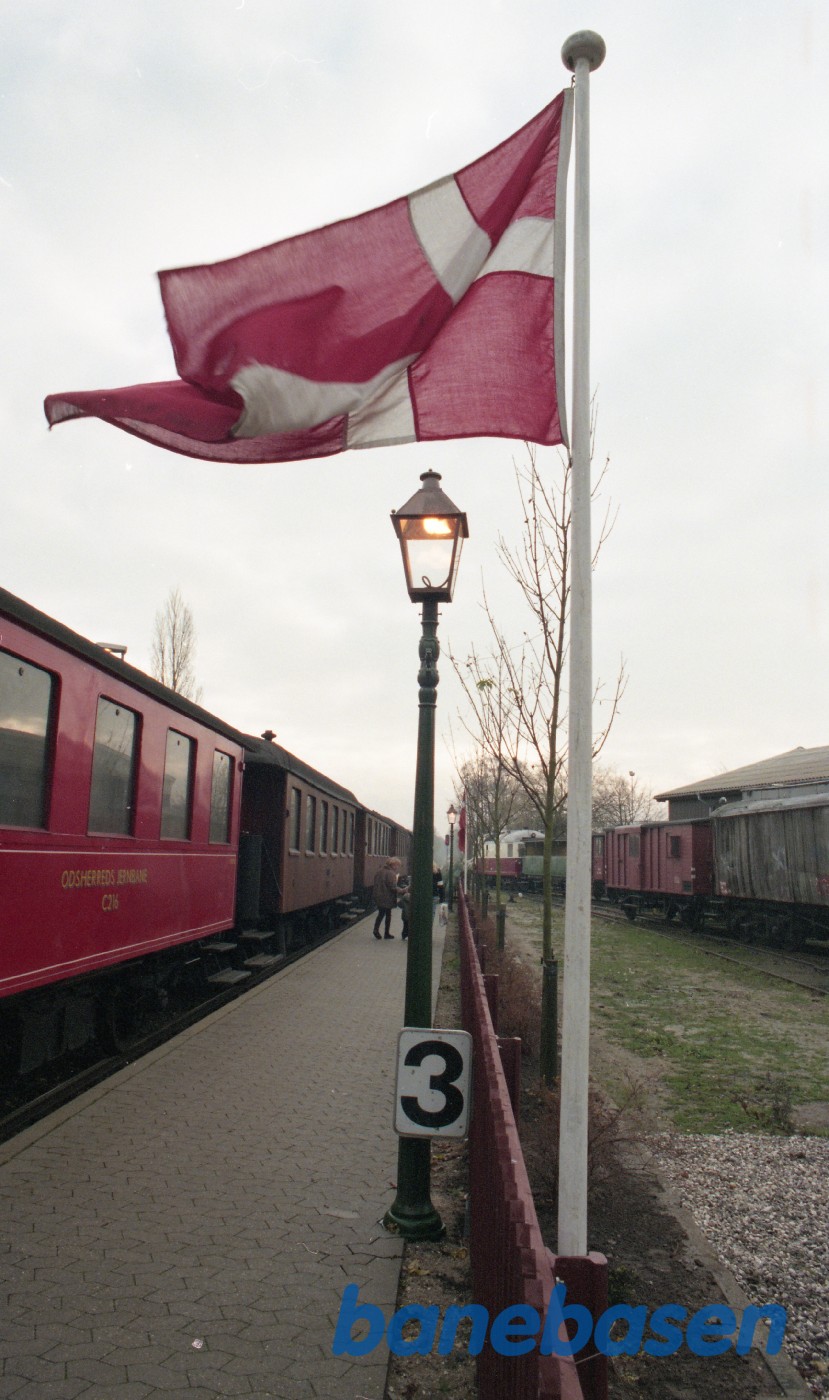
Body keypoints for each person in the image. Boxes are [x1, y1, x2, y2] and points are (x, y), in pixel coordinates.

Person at [372, 857, 401, 939]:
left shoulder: (379, 871)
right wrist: (402, 890)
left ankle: (377, 929)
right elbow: (393, 887)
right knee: (387, 915)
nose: (397, 867)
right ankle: (385, 933)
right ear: (393, 865)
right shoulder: (391, 873)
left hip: (379, 896)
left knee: (381, 913)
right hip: (387, 897)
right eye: (397, 865)